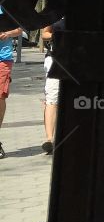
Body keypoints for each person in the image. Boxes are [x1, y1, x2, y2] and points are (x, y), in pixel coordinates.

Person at [0, 11, 24, 161]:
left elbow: (20, 28)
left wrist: (7, 34)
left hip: (3, 59)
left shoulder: (7, 6)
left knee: (0, 96)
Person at [40, 20, 63, 154]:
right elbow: (45, 34)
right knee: (52, 98)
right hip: (55, 60)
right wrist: (57, 36)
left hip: (78, 60)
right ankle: (49, 139)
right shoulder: (54, 12)